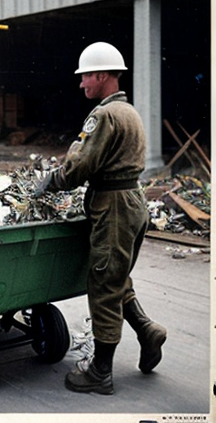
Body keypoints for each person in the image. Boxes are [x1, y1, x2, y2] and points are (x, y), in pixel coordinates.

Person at [34, 42, 167, 395]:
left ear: (102, 75)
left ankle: (100, 373)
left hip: (113, 208)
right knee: (117, 276)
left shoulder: (104, 115)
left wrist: (53, 181)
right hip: (132, 202)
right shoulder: (129, 111)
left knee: (104, 285)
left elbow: (80, 167)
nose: (81, 84)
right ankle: (147, 331)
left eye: (85, 77)